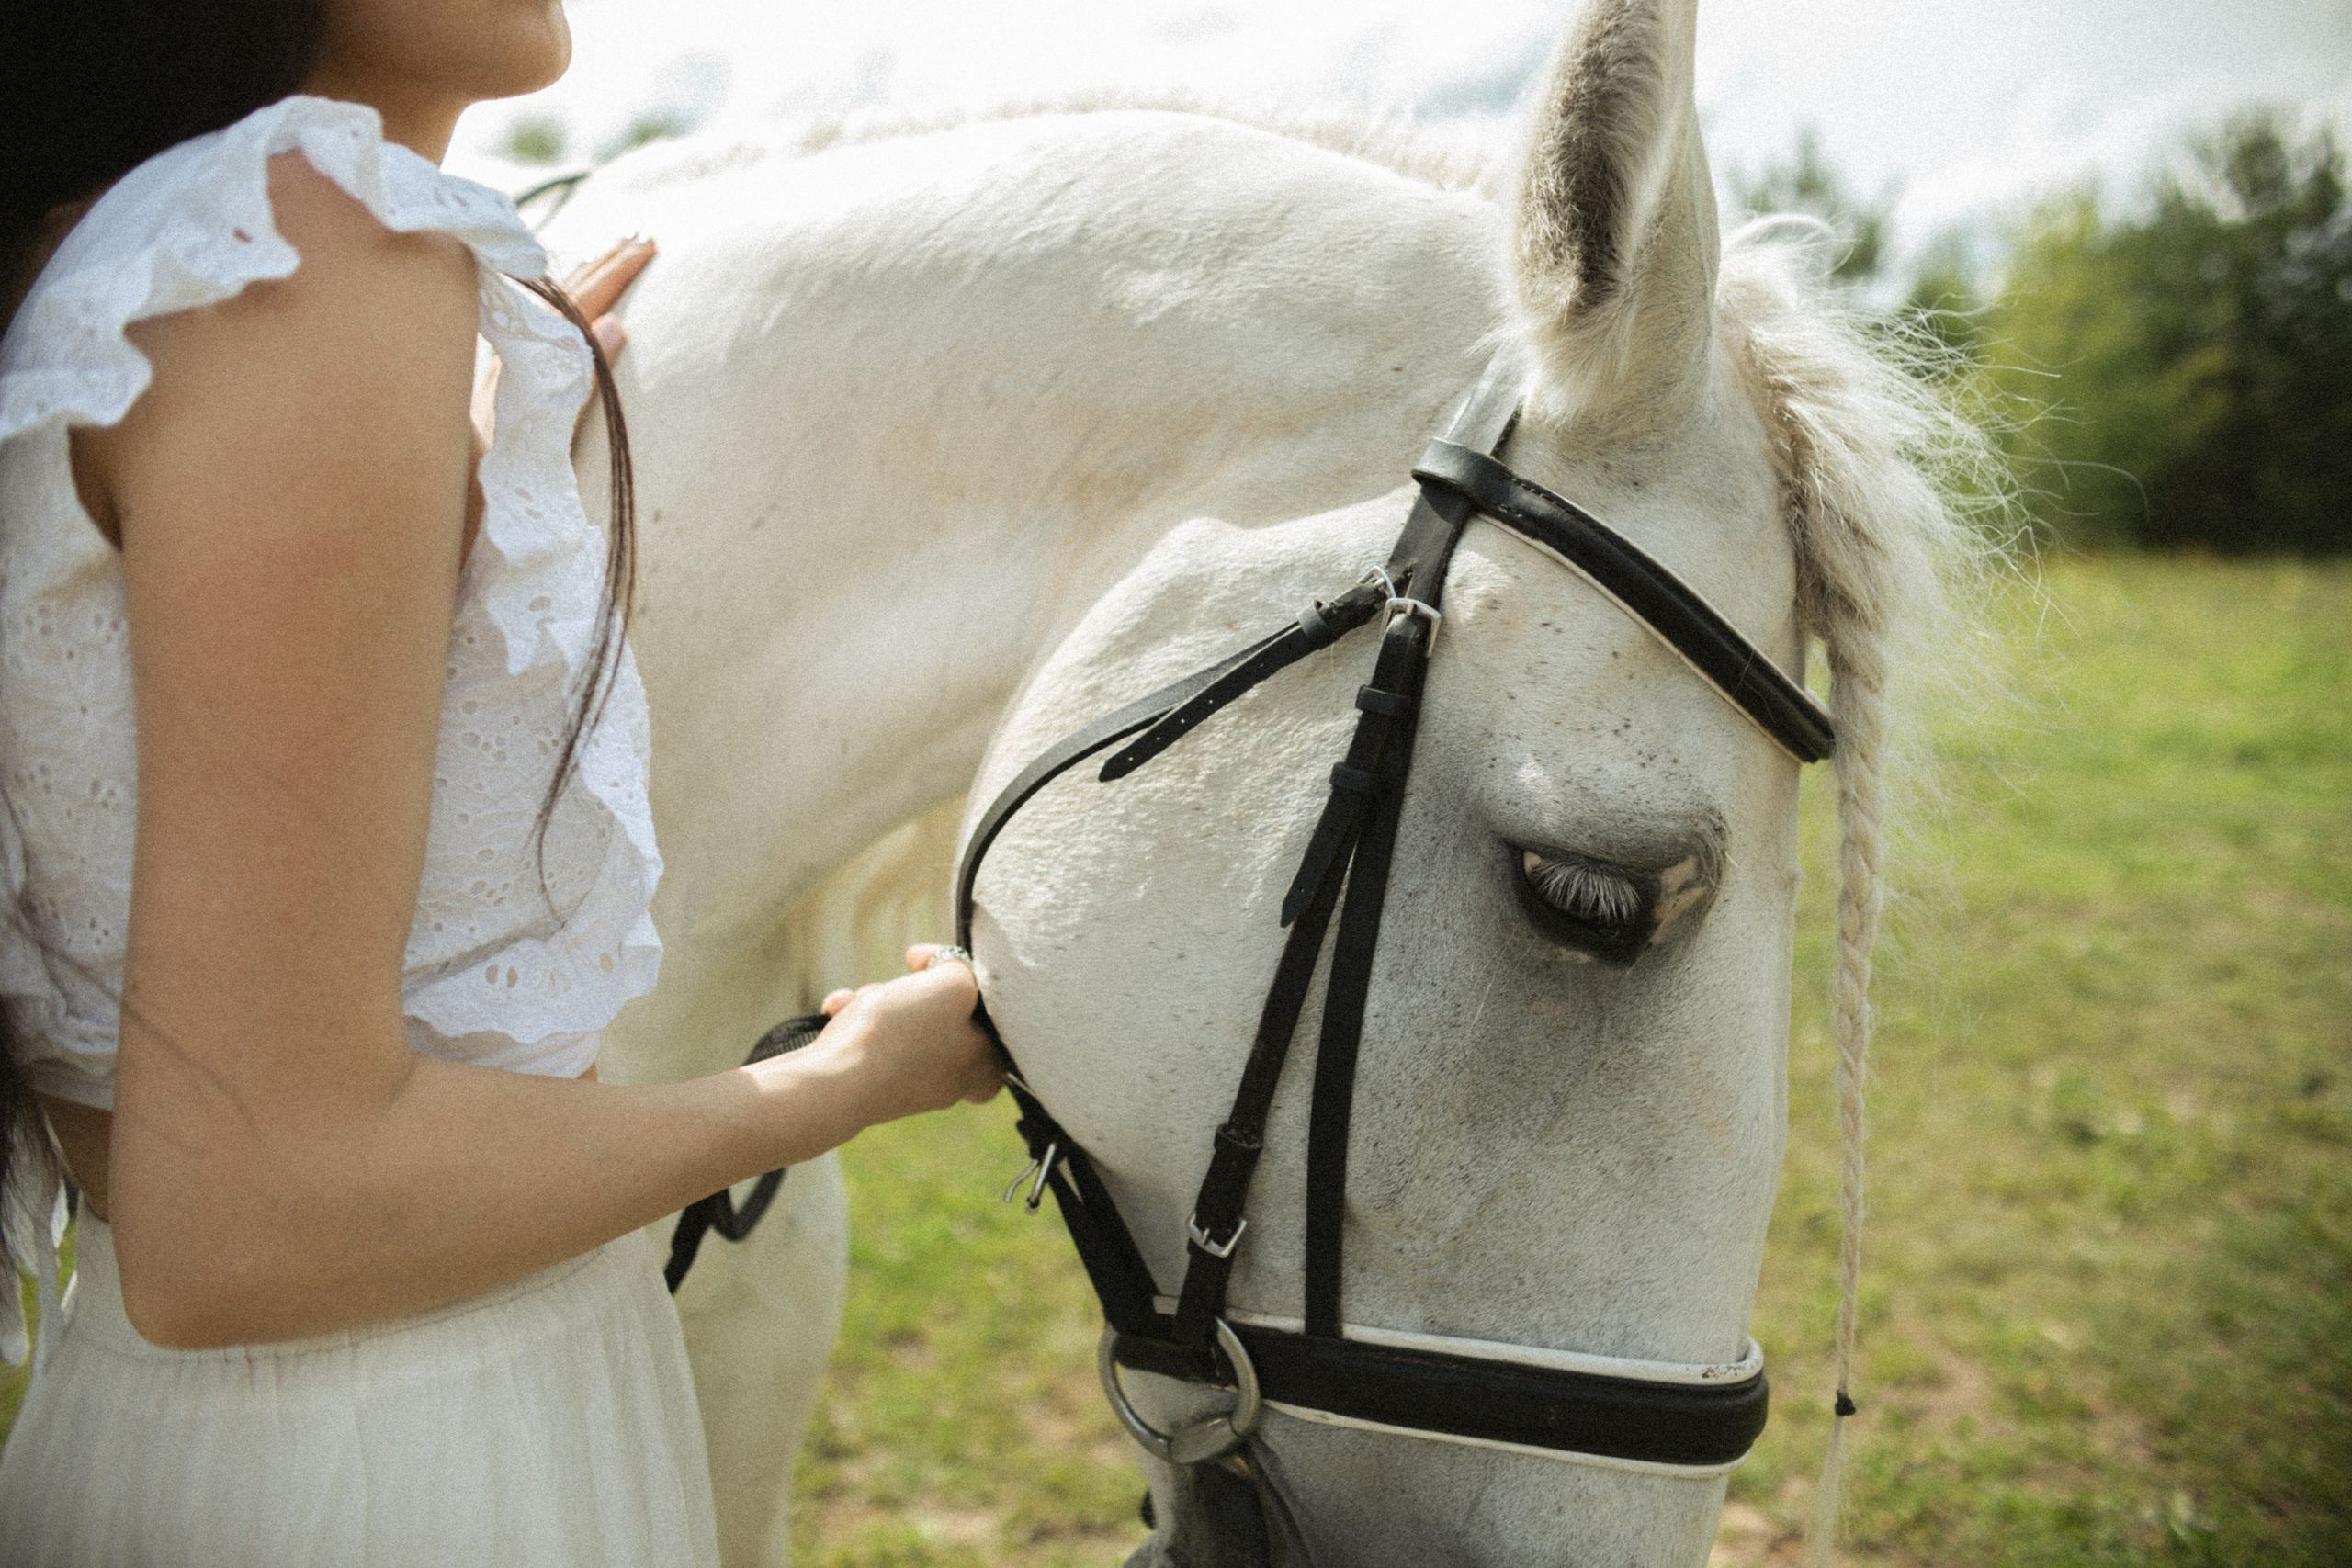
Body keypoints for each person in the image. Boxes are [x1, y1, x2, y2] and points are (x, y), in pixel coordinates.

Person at [0, 1, 1001, 1562]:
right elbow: (258, 1214)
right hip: (398, 1461)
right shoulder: (289, 254)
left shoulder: (133, 269)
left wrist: (448, 445)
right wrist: (841, 1082)